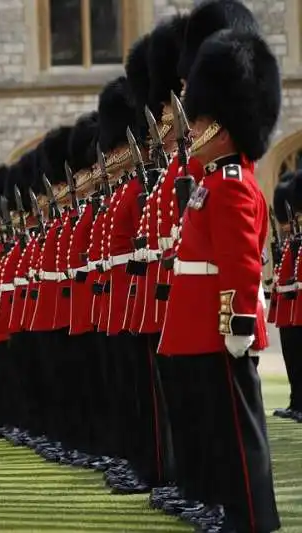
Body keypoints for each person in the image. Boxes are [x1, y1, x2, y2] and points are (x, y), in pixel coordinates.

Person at [158, 28, 281, 533]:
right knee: (217, 428)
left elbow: (240, 263)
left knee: (237, 429)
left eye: (202, 121)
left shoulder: (230, 186)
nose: (194, 130)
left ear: (224, 130)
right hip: (198, 322)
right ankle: (234, 511)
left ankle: (253, 519)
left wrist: (238, 323)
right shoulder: (211, 180)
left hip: (219, 325)